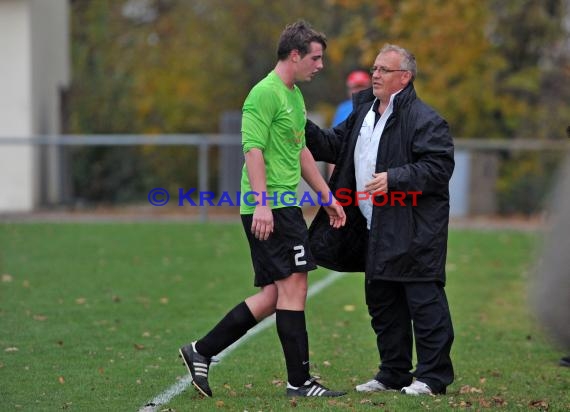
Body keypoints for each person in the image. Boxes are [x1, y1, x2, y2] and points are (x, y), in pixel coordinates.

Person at [179, 20, 347, 398]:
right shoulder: (264, 94)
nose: (320, 65)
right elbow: (252, 150)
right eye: (315, 58)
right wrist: (262, 205)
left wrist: (326, 195)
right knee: (295, 287)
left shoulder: (294, 96)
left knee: (276, 296)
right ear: (294, 55)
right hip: (273, 206)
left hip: (286, 205)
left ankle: (201, 350)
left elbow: (300, 151)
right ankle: (299, 383)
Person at [305, 44, 455, 396]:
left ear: (405, 77)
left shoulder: (426, 119)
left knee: (425, 305)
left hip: (415, 228)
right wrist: (296, 118)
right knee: (383, 303)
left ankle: (433, 378)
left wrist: (395, 178)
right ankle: (393, 374)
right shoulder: (362, 113)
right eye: (374, 68)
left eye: (383, 70)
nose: (375, 75)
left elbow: (439, 167)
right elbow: (331, 146)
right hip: (374, 226)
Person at [326, 70, 372, 178]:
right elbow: (334, 142)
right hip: (346, 168)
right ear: (349, 89)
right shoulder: (342, 109)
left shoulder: (377, 107)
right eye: (355, 87)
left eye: (362, 87)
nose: (359, 91)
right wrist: (331, 176)